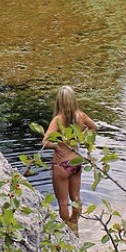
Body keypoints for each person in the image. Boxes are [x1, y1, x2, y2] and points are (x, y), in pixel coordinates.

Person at [42, 85, 97, 234]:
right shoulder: (81, 115)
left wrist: (56, 147)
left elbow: (45, 141)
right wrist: (84, 138)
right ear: (74, 100)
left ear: (59, 101)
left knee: (63, 202)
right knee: (76, 197)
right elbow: (94, 127)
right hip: (76, 162)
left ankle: (67, 229)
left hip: (61, 164)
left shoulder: (58, 119)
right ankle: (75, 224)